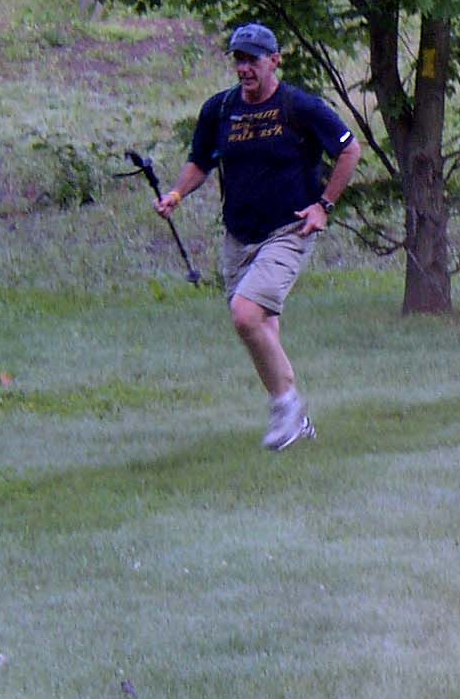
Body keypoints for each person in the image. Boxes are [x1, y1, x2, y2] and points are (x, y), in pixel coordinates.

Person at [155, 23, 362, 449]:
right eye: (239, 59)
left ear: (274, 60)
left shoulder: (298, 106)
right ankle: (295, 421)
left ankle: (285, 405)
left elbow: (349, 149)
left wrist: (324, 205)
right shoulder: (221, 109)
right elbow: (201, 161)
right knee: (263, 326)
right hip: (238, 234)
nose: (244, 68)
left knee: (246, 315)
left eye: (252, 59)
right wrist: (176, 193)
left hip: (289, 229)